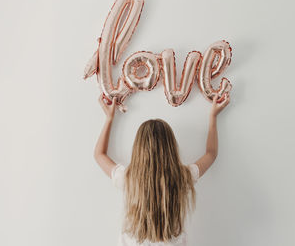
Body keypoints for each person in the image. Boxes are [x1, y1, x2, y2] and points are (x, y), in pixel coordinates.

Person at [94, 93, 230, 246]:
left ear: (138, 149)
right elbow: (211, 154)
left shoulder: (128, 179)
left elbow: (99, 154)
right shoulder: (182, 177)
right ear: (171, 148)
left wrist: (109, 118)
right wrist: (213, 116)